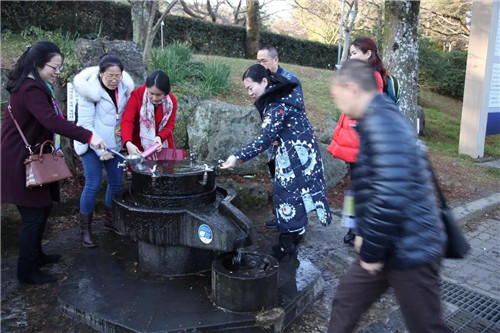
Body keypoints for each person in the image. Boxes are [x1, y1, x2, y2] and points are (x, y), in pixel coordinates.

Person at [327, 59, 450, 333]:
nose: (337, 104)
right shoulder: (373, 120)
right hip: (385, 243)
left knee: (426, 326)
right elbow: (367, 184)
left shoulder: (384, 123)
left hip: (412, 250)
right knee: (345, 302)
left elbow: (391, 195)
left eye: (337, 96)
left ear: (352, 88)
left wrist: (371, 250)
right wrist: (360, 229)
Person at [1, 41, 106, 284]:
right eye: (54, 67)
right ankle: (25, 271)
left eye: (59, 68)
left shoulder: (36, 84)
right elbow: (52, 121)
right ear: (38, 64)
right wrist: (89, 136)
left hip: (37, 156)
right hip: (21, 160)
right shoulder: (30, 89)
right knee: (32, 216)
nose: (57, 72)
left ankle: (37, 256)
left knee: (43, 207)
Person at [220, 64, 332, 261]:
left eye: (250, 87)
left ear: (264, 81)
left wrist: (237, 157)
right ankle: (292, 239)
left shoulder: (276, 103)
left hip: (294, 160)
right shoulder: (284, 95)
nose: (249, 93)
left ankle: (286, 247)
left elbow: (265, 139)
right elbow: (284, 130)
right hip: (300, 154)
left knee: (288, 197)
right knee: (295, 198)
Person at [328, 36, 386, 246]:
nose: (351, 57)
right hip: (355, 138)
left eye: (354, 53)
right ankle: (354, 227)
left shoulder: (374, 77)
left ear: (368, 54)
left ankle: (360, 229)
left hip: (362, 140)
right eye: (351, 53)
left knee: (362, 187)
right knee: (356, 187)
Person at [73, 54, 134, 248]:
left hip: (113, 145)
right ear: (101, 74)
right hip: (90, 144)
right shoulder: (89, 91)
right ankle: (86, 230)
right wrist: (99, 151)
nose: (114, 80)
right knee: (93, 183)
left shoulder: (124, 89)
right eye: (110, 76)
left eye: (118, 75)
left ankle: (111, 220)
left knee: (116, 183)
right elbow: (84, 125)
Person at [257, 45, 304, 230]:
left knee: (290, 182)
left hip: (288, 142)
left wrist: (280, 135)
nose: (260, 64)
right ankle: (280, 215)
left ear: (275, 60)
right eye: (258, 61)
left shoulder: (291, 81)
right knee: (275, 179)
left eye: (264, 61)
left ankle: (296, 223)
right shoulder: (263, 81)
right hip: (272, 142)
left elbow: (296, 113)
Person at [121, 70, 177, 157]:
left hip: (161, 146)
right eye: (151, 93)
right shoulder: (137, 95)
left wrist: (160, 137)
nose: (154, 98)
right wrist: (128, 142)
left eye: (159, 95)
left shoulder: (171, 101)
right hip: (139, 146)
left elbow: (170, 125)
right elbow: (127, 120)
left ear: (166, 93)